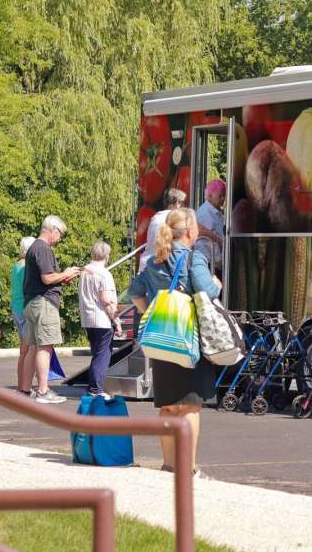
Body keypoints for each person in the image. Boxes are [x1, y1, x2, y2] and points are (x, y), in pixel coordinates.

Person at [129, 208, 221, 476]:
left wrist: (152, 311)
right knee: (190, 406)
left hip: (162, 340)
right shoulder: (195, 259)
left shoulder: (155, 261)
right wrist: (217, 283)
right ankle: (189, 467)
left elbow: (135, 293)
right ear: (190, 232)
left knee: (169, 406)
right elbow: (208, 291)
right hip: (189, 340)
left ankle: (168, 465)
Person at [22, 216, 83, 404]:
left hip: (32, 302)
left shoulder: (34, 248)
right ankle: (43, 390)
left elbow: (48, 277)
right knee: (45, 347)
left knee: (33, 347)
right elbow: (47, 279)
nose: (60, 238)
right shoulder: (43, 249)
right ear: (53, 230)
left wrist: (63, 276)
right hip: (44, 303)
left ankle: (25, 389)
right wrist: (66, 273)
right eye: (60, 234)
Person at [79, 241, 122, 396]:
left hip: (88, 318)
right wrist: (116, 321)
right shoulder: (104, 274)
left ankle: (93, 386)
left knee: (97, 353)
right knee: (103, 356)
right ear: (107, 256)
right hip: (102, 319)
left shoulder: (85, 272)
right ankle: (96, 389)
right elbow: (106, 300)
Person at [11, 236, 37, 395]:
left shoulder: (15, 266)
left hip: (16, 306)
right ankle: (25, 386)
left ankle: (21, 384)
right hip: (25, 307)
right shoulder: (27, 267)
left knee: (23, 350)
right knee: (29, 350)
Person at [141, 188, 187, 271]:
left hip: (146, 264)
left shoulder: (156, 217)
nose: (183, 207)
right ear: (177, 203)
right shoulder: (174, 219)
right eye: (182, 203)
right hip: (158, 268)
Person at [194, 179, 226, 274]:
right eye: (220, 196)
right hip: (209, 262)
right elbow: (207, 236)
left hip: (214, 261)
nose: (222, 199)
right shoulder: (205, 212)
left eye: (224, 196)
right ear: (210, 196)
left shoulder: (217, 212)